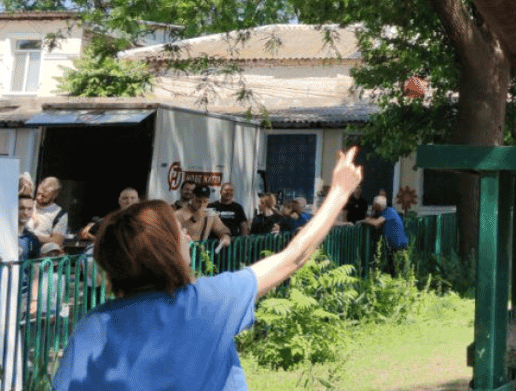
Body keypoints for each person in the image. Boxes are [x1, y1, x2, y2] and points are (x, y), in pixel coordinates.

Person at [52, 148, 363, 390]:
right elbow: (293, 257)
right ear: (167, 251)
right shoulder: (206, 302)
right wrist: (339, 191)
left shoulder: (93, 327)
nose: (187, 237)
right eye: (179, 234)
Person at [358, 195, 408, 275]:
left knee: (396, 270)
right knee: (394, 269)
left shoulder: (388, 212)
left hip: (398, 245)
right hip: (396, 245)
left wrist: (364, 221)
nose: (373, 207)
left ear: (377, 206)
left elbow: (376, 223)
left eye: (374, 205)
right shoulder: (387, 211)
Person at [175, 185, 231, 250]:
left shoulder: (210, 216)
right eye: (198, 201)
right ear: (192, 197)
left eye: (204, 201)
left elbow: (221, 228)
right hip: (183, 253)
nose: (201, 205)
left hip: (200, 255)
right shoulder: (179, 214)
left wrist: (225, 236)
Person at [31, 177, 69, 246]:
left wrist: (32, 237)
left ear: (54, 195)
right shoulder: (27, 205)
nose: (40, 197)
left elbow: (57, 241)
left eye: (44, 195)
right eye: (39, 193)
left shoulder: (59, 214)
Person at [18, 194, 41, 261]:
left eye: (29, 209)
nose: (25, 212)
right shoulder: (4, 235)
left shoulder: (33, 239)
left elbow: (35, 267)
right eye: (21, 208)